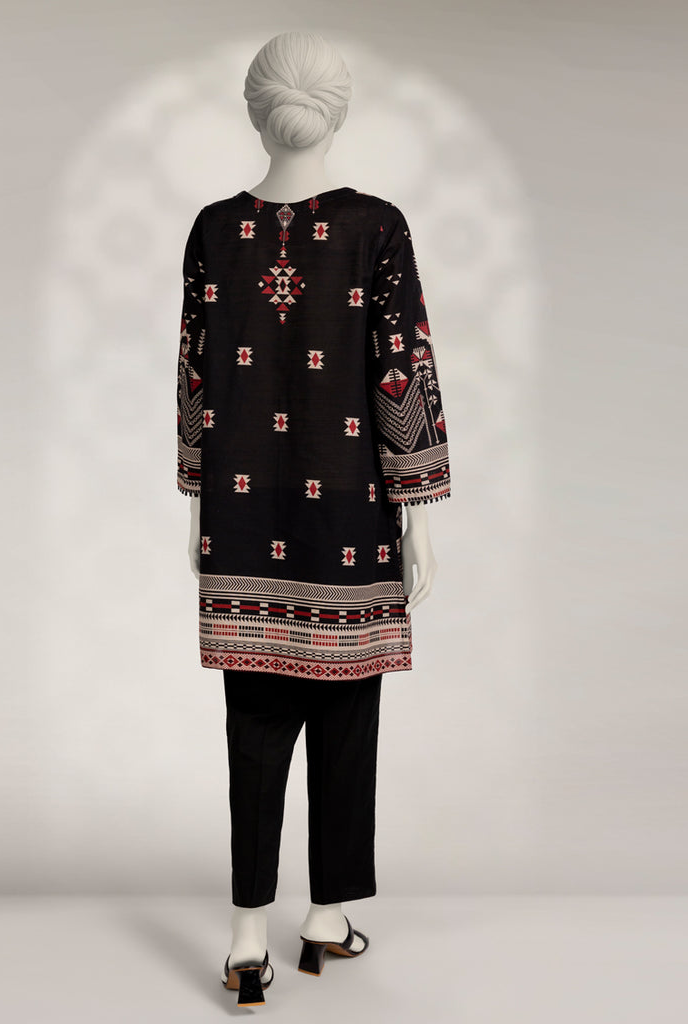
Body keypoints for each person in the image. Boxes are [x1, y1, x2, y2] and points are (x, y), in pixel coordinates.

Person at [175, 30, 452, 1007]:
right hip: (350, 516)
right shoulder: (377, 228)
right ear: (338, 112)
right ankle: (325, 917)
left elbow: (195, 378)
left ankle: (247, 939)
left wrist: (197, 502)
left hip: (241, 518)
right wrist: (416, 512)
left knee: (252, 725)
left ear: (255, 110)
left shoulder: (213, 230)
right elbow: (401, 370)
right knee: (345, 720)